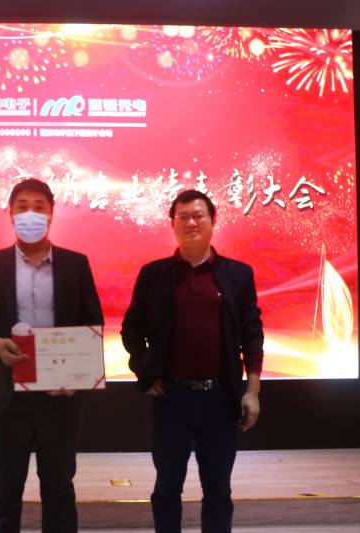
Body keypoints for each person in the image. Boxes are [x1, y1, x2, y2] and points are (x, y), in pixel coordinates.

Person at [0, 178, 103, 533]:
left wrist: (78, 375)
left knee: (59, 488)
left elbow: (93, 323)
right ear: (10, 214)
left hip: (60, 395)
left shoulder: (76, 264)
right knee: (5, 488)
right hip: (7, 394)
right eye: (22, 206)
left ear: (51, 214)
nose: (31, 214)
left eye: (39, 206)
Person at [121, 189, 264, 533]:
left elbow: (252, 335)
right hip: (172, 398)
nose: (191, 223)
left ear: (213, 221)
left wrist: (252, 391)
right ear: (172, 224)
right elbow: (131, 329)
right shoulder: (154, 275)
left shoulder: (237, 274)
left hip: (221, 398)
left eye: (199, 216)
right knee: (167, 488)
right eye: (183, 217)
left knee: (218, 490)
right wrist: (144, 372)